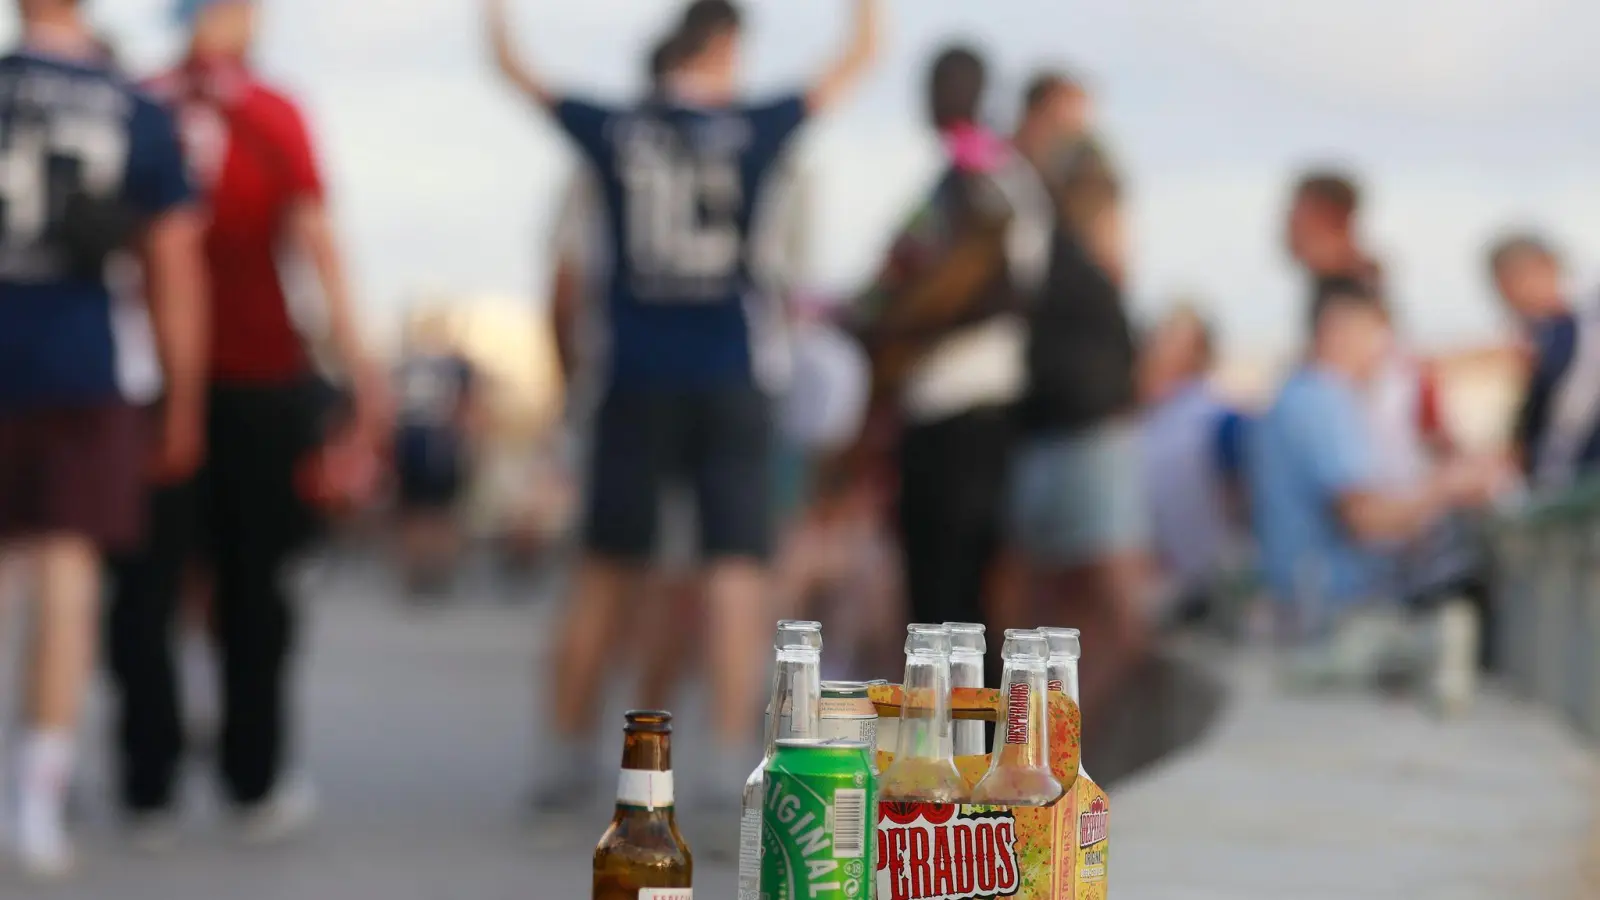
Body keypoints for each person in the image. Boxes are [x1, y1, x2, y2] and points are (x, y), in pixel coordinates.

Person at [487, 0, 881, 810]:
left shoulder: (616, 127)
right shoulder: (754, 126)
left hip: (634, 372)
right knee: (735, 568)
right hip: (730, 370)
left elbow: (516, 70)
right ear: (725, 47)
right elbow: (857, 60)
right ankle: (730, 756)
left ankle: (563, 752)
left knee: (606, 569)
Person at [108, 0, 387, 849]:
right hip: (258, 376)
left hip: (146, 379)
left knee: (145, 586)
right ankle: (252, 776)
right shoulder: (271, 112)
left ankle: (146, 782)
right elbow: (316, 246)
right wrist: (365, 371)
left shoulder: (135, 100)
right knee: (255, 587)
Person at [0, 0, 205, 876]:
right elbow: (174, 267)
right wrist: (183, 398)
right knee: (68, 576)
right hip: (80, 370)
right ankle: (37, 796)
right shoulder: (136, 108)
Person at [853, 46, 1053, 639]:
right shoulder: (955, 178)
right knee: (930, 598)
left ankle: (975, 731)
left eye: (950, 84)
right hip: (929, 406)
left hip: (973, 408)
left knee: (960, 598)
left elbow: (1002, 289)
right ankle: (945, 730)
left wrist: (906, 321)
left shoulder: (995, 180)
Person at [1247, 280, 1501, 707]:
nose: (1381, 352)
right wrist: (1448, 487)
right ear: (1337, 331)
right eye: (1376, 335)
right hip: (1334, 618)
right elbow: (1367, 519)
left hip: (1310, 611)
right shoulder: (1323, 400)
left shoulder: (1300, 395)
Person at [1008, 100, 1146, 726]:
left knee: (1050, 618)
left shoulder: (1040, 256)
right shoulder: (1073, 264)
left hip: (1044, 444)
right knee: (1113, 619)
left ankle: (1042, 747)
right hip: (1083, 447)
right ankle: (1055, 748)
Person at [1138, 305, 1251, 624]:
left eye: (1175, 345)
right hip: (1153, 590)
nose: (1161, 354)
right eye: (1158, 342)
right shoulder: (1142, 422)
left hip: (1209, 591)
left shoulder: (1219, 420)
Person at [1489, 234, 1600, 488]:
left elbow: (1564, 426)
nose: (1509, 300)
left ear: (1549, 266)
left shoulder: (1577, 332)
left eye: (1513, 282)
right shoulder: (1545, 337)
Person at [393, 310, 481, 596]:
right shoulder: (456, 364)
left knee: (416, 513)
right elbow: (467, 407)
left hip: (413, 443)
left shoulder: (407, 363)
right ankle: (437, 574)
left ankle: (418, 575)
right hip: (441, 444)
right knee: (442, 513)